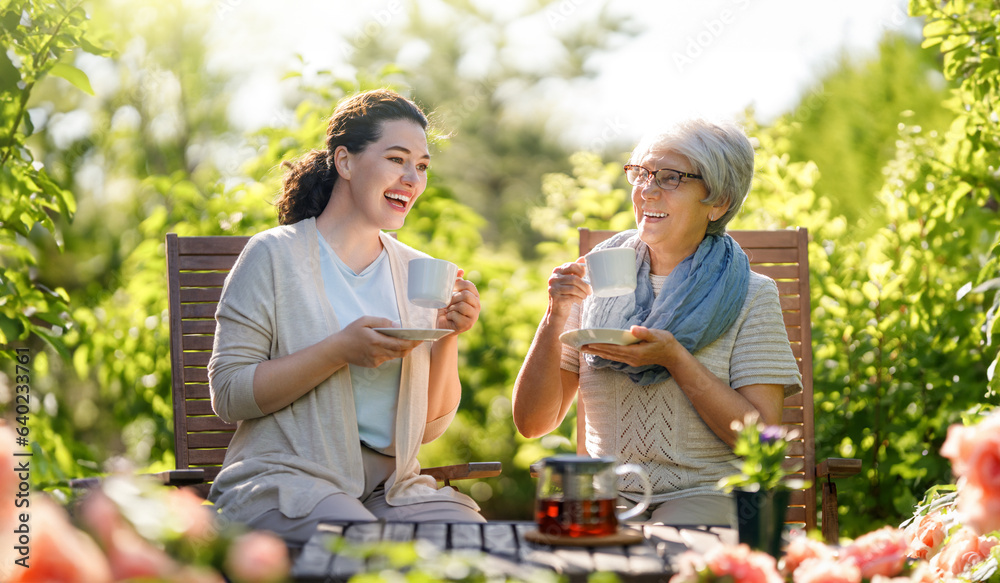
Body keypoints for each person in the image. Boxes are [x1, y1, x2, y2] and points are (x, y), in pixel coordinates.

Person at [208, 89, 485, 544]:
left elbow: (430, 427)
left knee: (470, 542)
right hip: (286, 479)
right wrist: (337, 351)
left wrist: (447, 335)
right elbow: (229, 393)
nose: (412, 178)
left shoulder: (418, 273)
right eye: (397, 159)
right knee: (358, 544)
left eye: (422, 165)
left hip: (389, 488)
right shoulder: (274, 256)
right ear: (345, 162)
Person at [512, 118, 802, 527]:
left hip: (708, 494)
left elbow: (761, 442)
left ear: (718, 201)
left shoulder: (753, 295)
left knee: (668, 555)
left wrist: (676, 360)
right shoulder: (594, 279)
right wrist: (555, 313)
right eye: (642, 173)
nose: (647, 190)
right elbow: (532, 422)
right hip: (605, 495)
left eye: (671, 178)